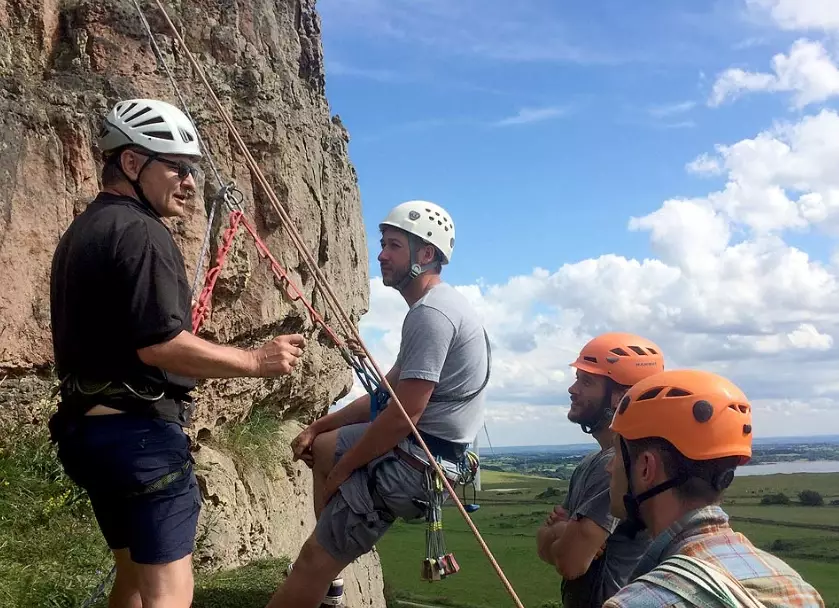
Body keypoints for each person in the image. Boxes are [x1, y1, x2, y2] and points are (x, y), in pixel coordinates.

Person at [49, 98, 306, 608]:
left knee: (130, 581)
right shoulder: (144, 233)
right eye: (177, 168)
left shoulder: (82, 232)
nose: (190, 182)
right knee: (168, 594)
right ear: (130, 163)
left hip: (87, 435)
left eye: (192, 171)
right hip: (139, 440)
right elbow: (160, 346)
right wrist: (255, 361)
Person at [265, 200, 490, 608]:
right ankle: (330, 572)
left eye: (394, 246)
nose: (382, 255)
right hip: (430, 450)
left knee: (310, 561)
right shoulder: (435, 308)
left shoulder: (432, 315)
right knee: (324, 446)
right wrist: (319, 426)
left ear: (426, 255)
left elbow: (405, 416)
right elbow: (388, 390)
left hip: (417, 462)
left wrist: (343, 472)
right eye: (382, 244)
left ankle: (322, 565)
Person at [604, 369, 825, 607]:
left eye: (617, 454)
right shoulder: (797, 588)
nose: (608, 467)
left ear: (646, 468)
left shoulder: (635, 603)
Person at [535, 332, 664, 607]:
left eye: (586, 381)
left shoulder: (617, 467)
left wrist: (561, 528)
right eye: (577, 378)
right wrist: (563, 530)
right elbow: (544, 545)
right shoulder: (592, 464)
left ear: (620, 396)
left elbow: (570, 563)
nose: (573, 389)